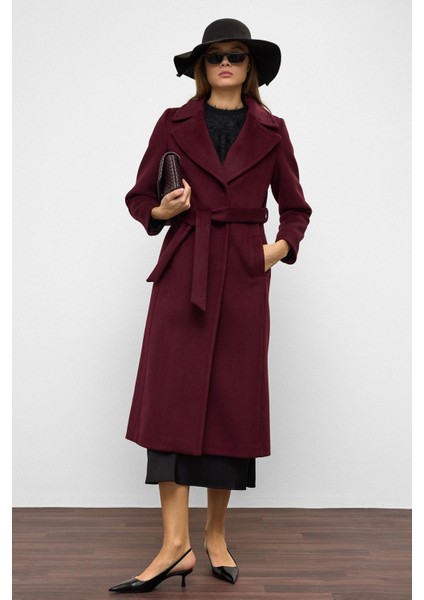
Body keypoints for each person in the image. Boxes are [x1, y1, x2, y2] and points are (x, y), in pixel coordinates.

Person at [109, 18, 312, 594]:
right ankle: (174, 546)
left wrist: (273, 251)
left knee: (230, 404)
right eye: (215, 55)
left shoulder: (273, 129)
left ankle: (215, 536)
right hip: (185, 270)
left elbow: (296, 207)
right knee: (170, 402)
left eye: (236, 55)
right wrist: (163, 212)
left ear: (250, 68)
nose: (225, 63)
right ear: (201, 66)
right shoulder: (173, 123)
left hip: (243, 278)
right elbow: (139, 196)